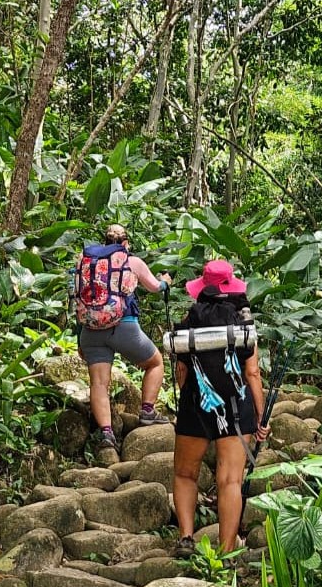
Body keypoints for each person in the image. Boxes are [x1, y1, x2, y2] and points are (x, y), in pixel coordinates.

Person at [171, 260, 269, 557]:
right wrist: (261, 416)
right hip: (236, 408)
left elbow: (181, 371)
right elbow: (252, 374)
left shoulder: (190, 320)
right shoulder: (242, 323)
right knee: (230, 480)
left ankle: (187, 538)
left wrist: (184, 396)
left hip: (196, 404)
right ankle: (226, 551)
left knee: (186, 474)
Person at [78, 224, 172, 450]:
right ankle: (147, 410)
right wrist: (166, 282)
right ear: (126, 243)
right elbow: (154, 287)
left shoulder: (86, 261)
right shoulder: (132, 261)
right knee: (155, 362)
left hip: (90, 330)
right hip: (124, 327)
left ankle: (107, 435)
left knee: (99, 383)